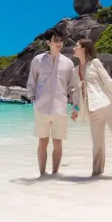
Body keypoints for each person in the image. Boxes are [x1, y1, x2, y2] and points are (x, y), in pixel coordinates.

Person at [71, 39, 112, 177]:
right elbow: (77, 92)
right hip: (92, 110)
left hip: (108, 105)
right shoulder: (75, 70)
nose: (73, 48)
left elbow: (108, 81)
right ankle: (96, 174)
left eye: (76, 46)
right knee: (97, 144)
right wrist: (75, 109)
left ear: (83, 49)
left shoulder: (95, 63)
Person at [27, 28, 75, 176]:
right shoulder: (38, 60)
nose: (59, 43)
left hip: (60, 109)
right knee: (42, 142)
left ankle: (54, 174)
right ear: (48, 42)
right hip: (41, 108)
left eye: (61, 40)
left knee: (58, 143)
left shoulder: (68, 63)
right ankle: (42, 174)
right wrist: (33, 99)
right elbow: (32, 82)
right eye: (56, 41)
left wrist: (75, 106)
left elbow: (72, 86)